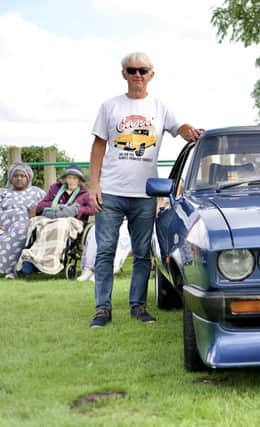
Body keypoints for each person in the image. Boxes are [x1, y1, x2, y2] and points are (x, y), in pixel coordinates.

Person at [88, 51, 203, 328]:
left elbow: (180, 128)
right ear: (123, 74)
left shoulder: (160, 106)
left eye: (143, 70)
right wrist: (93, 184)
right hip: (111, 191)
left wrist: (190, 130)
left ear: (151, 74)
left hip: (145, 194)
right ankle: (102, 309)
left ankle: (138, 306)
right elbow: (98, 145)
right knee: (105, 250)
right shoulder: (110, 106)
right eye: (131, 70)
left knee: (142, 253)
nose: (137, 75)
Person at [17, 165, 95, 275]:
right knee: (41, 225)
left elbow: (92, 209)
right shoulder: (55, 188)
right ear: (65, 178)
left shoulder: (85, 193)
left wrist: (77, 209)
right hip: (51, 218)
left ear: (79, 180)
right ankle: (33, 260)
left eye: (74, 178)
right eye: (69, 177)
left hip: (71, 221)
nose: (71, 180)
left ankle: (50, 262)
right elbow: (41, 205)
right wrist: (55, 205)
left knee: (61, 225)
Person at [0, 163, 46, 279]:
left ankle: (10, 271)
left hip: (24, 224)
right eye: (16, 176)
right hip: (3, 226)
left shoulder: (36, 192)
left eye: (22, 176)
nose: (19, 178)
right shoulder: (3, 193)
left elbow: (47, 206)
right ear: (11, 178)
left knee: (18, 232)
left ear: (28, 178)